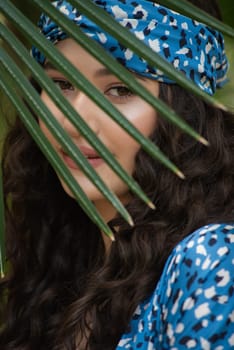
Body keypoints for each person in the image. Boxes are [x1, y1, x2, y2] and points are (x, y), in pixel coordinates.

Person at [0, 0, 234, 349]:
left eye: (120, 90)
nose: (72, 121)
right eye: (61, 84)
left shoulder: (212, 260)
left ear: (183, 114)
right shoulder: (62, 269)